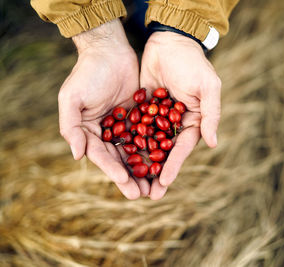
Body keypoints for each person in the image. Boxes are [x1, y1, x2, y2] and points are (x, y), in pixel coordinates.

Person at [30, 0, 239, 200]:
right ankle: (145, 21)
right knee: (141, 13)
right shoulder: (146, 122)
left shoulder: (144, 122)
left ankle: (150, 22)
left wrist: (182, 29)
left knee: (142, 14)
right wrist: (94, 28)